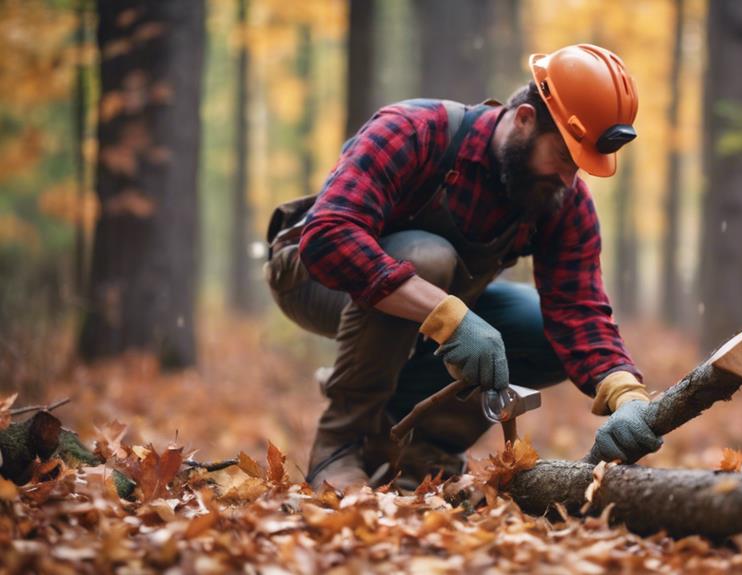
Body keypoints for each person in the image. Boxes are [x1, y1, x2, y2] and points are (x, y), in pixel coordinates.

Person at [264, 44, 663, 491]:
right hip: (314, 278)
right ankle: (339, 442)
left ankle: (412, 449)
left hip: (429, 294)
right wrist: (448, 318)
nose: (569, 179)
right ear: (525, 119)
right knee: (426, 256)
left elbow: (579, 310)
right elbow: (329, 235)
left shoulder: (560, 197)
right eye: (564, 157)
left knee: (540, 331)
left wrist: (625, 393)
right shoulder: (414, 129)